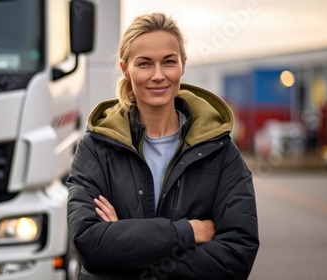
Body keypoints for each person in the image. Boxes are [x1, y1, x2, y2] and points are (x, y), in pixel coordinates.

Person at [67, 12, 259, 280]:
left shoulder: (220, 150)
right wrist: (188, 232)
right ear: (125, 69)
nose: (158, 75)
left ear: (182, 65)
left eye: (168, 62)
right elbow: (90, 244)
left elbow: (236, 256)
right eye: (144, 64)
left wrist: (127, 246)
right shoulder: (96, 147)